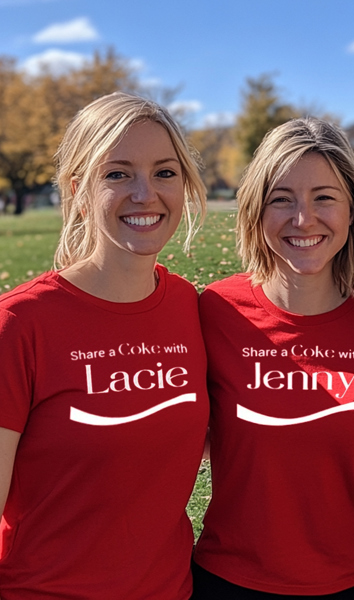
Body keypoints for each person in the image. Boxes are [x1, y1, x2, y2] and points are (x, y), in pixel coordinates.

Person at [0, 92, 210, 599]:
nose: (146, 193)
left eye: (165, 172)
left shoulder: (190, 307)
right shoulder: (19, 323)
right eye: (117, 174)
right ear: (77, 189)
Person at [192, 117, 354, 599]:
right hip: (230, 579)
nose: (302, 218)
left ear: (352, 210)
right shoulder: (215, 311)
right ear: (254, 211)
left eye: (324, 198)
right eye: (281, 199)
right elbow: (185, 430)